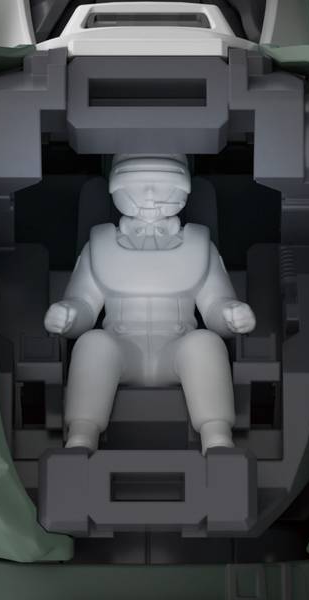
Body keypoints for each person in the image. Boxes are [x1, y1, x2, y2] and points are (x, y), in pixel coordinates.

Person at [44, 154, 255, 453]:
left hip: (177, 348)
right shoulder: (100, 246)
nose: (151, 195)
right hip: (121, 349)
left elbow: (215, 304)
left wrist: (231, 315)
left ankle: (217, 437)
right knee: (93, 343)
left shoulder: (199, 246)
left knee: (206, 343)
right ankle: (81, 435)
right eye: (137, 185)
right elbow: (84, 303)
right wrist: (68, 316)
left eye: (163, 185)